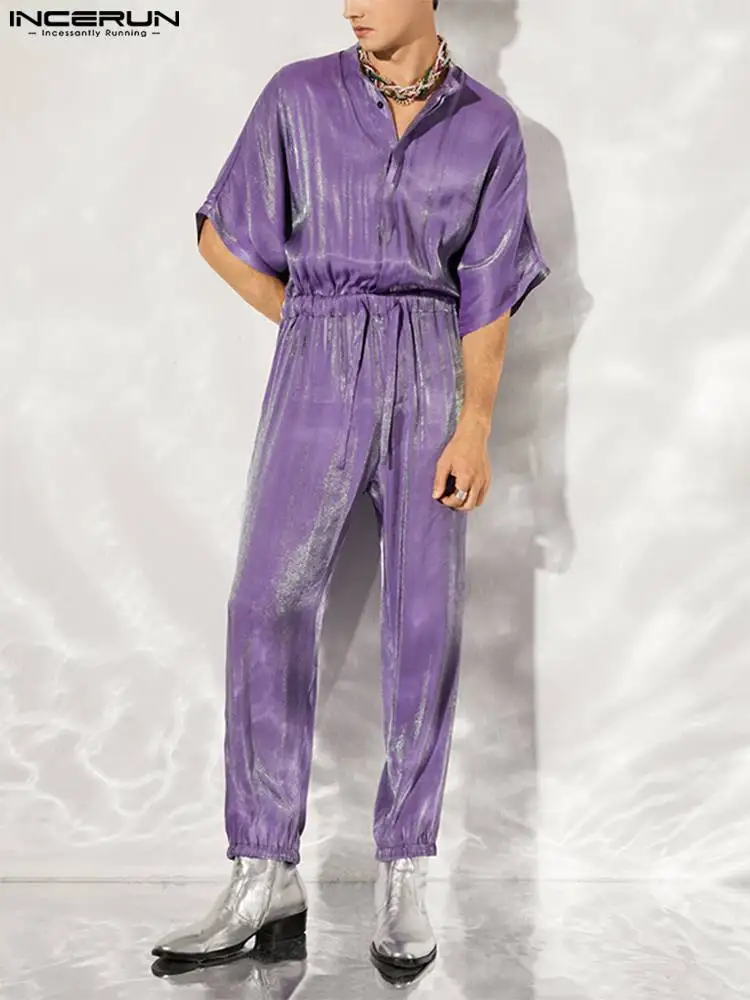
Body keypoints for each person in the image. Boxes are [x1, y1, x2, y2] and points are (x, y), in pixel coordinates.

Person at [151, 0, 549, 977]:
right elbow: (220, 233)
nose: (351, 3)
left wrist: (474, 425)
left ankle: (404, 870)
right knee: (266, 600)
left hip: (431, 365)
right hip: (318, 360)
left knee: (424, 617)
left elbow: (489, 295)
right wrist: (314, 325)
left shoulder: (490, 127)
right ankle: (261, 870)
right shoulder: (298, 97)